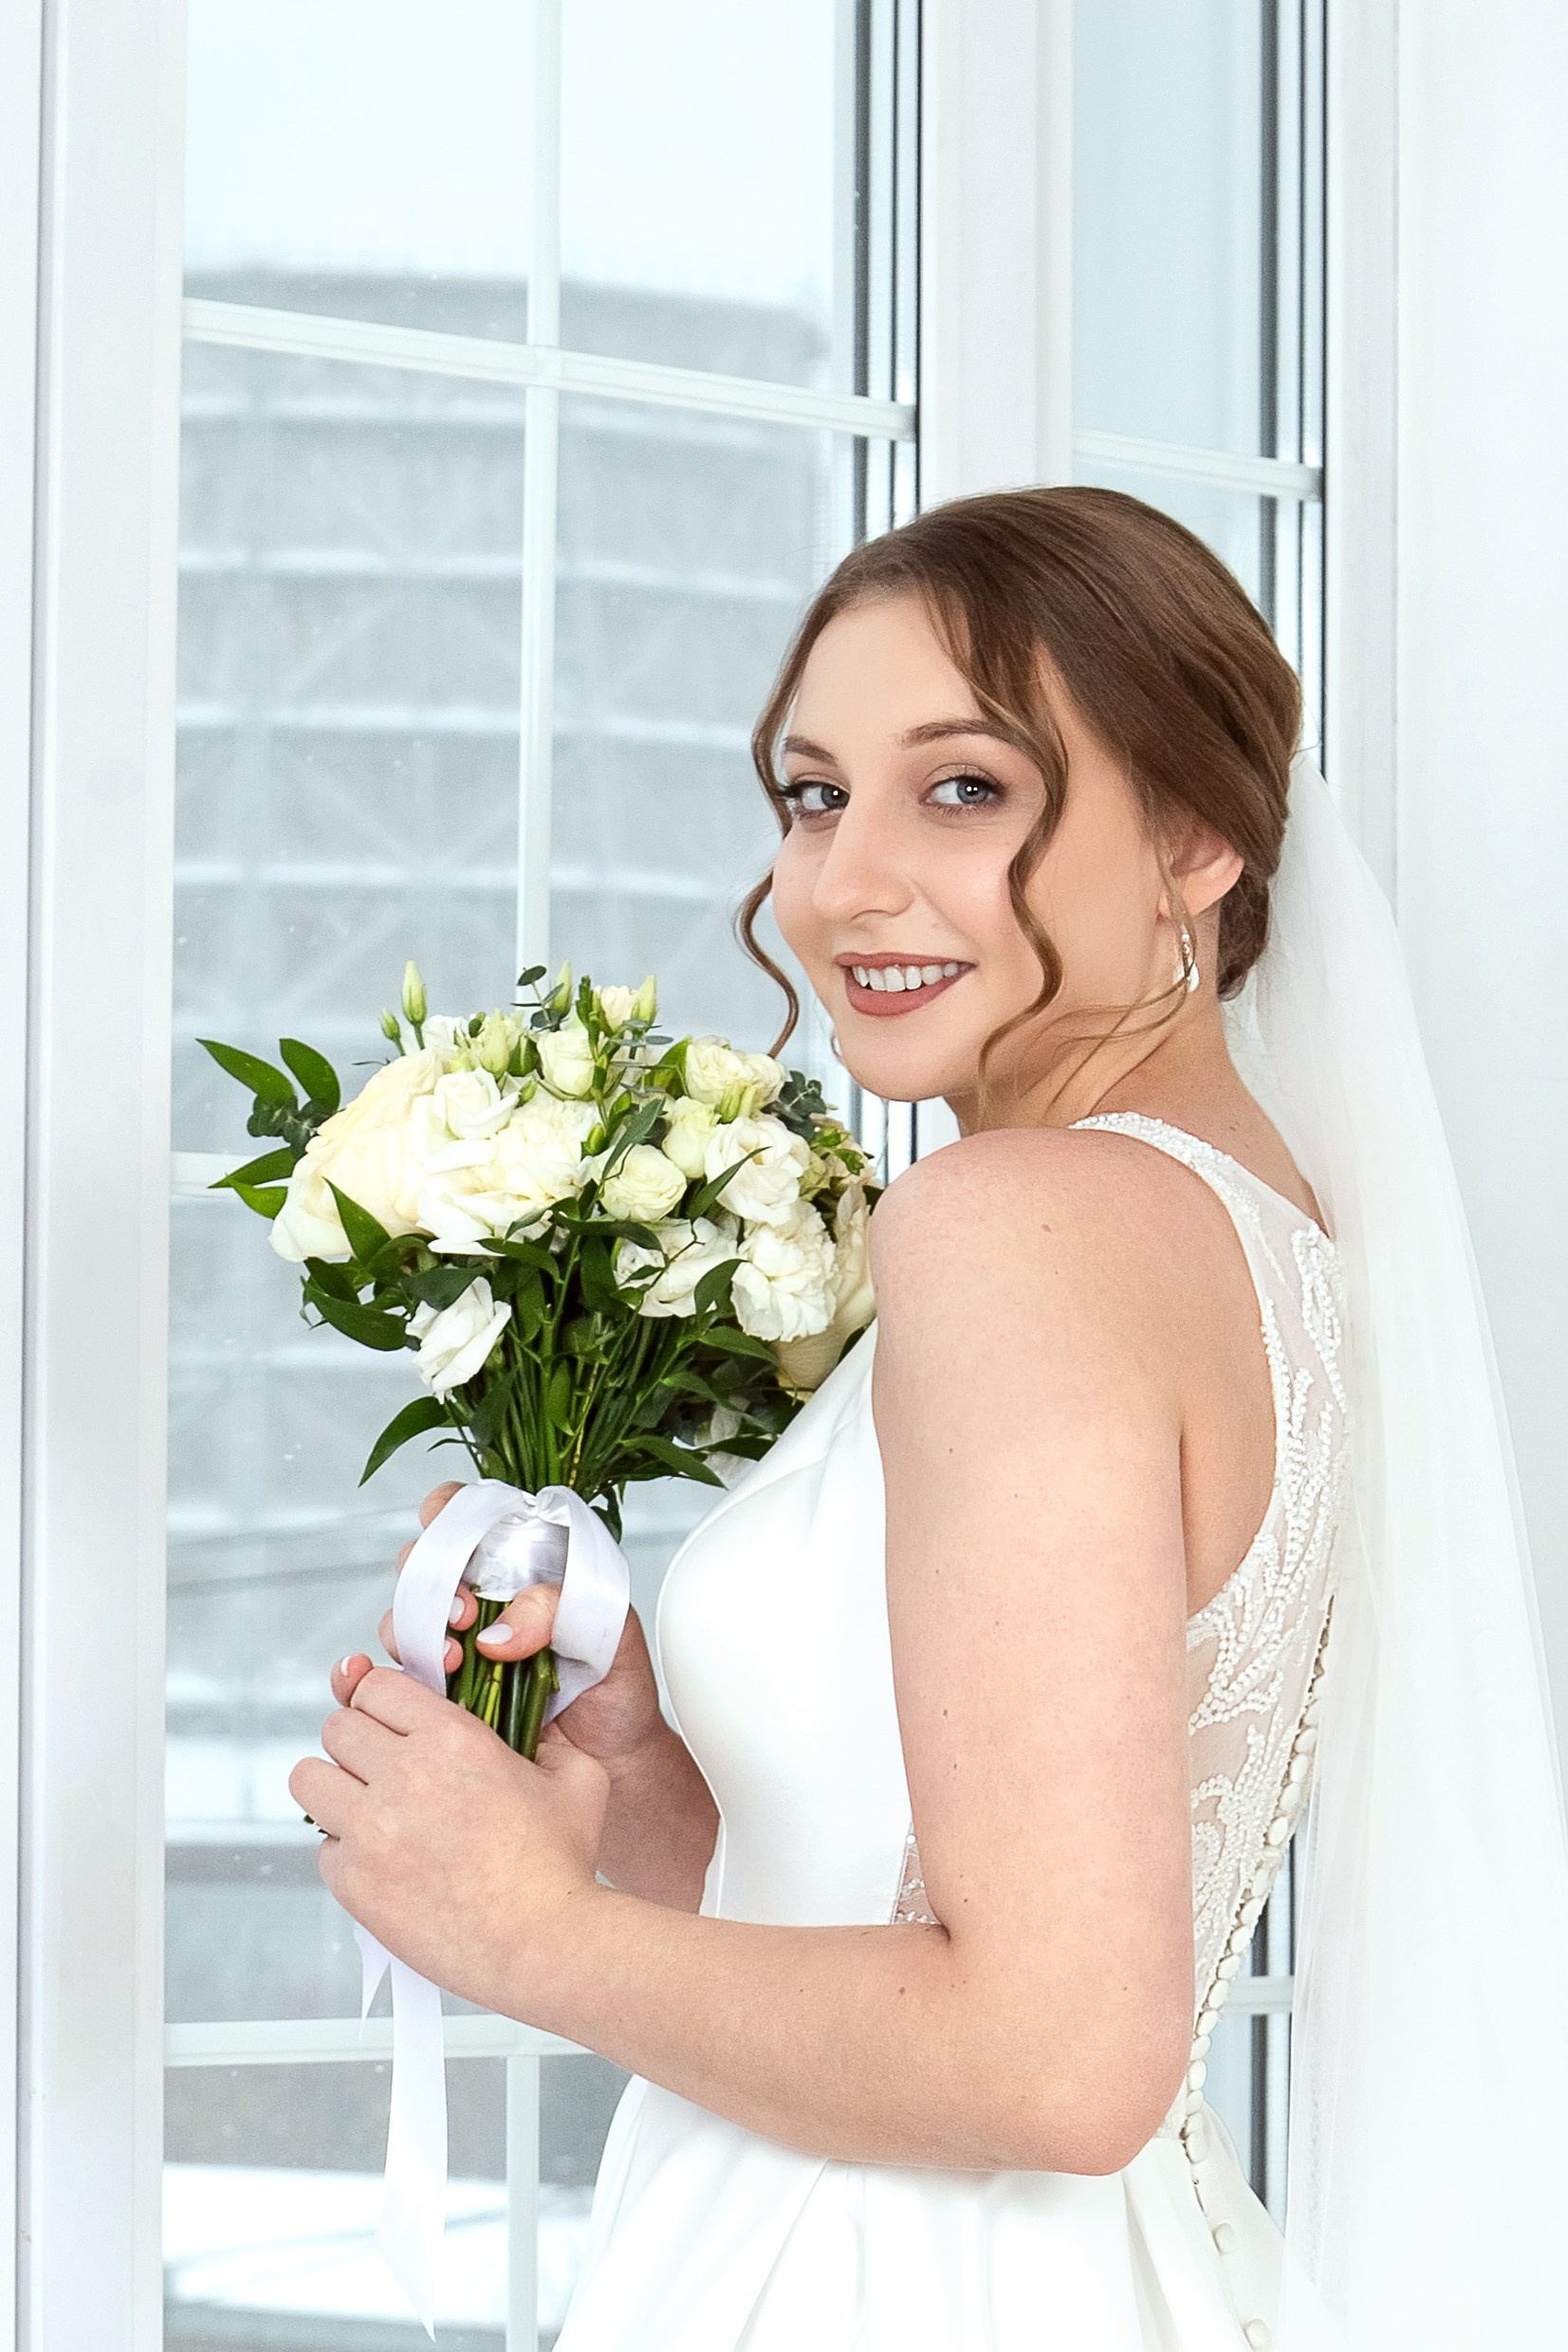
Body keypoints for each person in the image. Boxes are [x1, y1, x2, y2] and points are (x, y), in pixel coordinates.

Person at [293, 489, 1568, 2351]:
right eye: (815, 795)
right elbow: (925, 1913)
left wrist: (523, 1934)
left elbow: (1053, 2058)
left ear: (1194, 836)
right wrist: (644, 1770)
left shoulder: (1015, 1226)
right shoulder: (1245, 1221)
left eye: (962, 789)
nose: (843, 885)